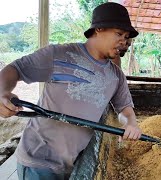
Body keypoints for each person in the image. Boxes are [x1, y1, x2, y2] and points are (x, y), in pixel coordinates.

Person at [0, 2, 142, 179]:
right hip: (39, 161)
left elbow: (125, 109)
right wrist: (3, 93)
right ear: (99, 29)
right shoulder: (59, 55)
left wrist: (131, 123)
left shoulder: (116, 76)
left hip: (72, 162)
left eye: (127, 36)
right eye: (119, 33)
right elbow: (16, 69)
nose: (124, 41)